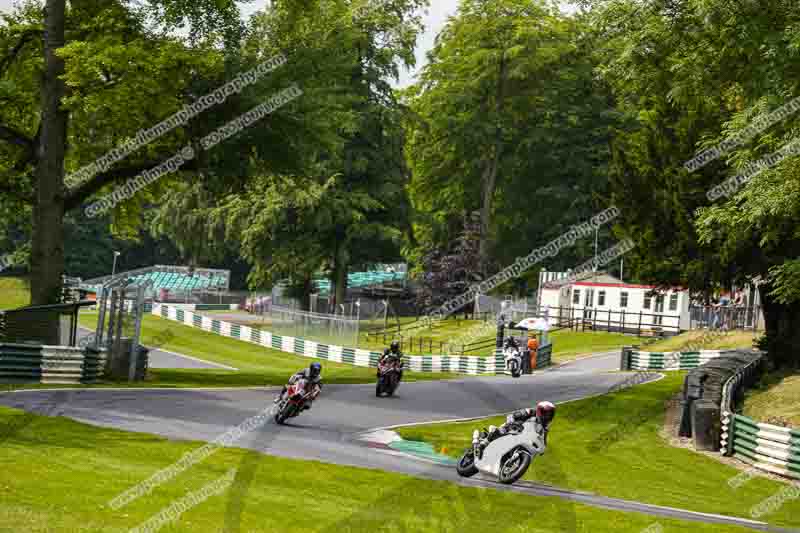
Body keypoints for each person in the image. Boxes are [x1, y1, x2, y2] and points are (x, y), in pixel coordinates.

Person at [474, 401, 556, 457]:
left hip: (523, 438)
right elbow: (514, 415)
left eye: (549, 414)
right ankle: (483, 444)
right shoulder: (530, 412)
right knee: (502, 430)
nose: (547, 416)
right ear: (539, 411)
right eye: (545, 413)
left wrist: (542, 449)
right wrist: (514, 422)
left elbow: (543, 440)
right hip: (513, 427)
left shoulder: (545, 427)